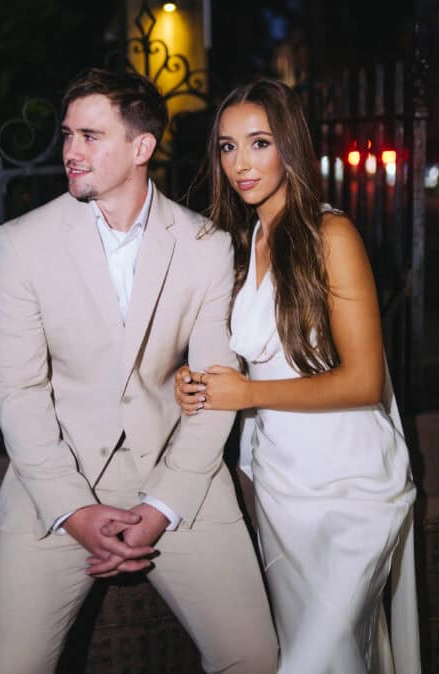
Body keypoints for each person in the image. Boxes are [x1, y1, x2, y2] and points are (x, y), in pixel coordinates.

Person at [0, 68, 278, 674]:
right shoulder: (21, 243)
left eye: (91, 136)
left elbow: (217, 387)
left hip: (177, 477)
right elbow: (16, 389)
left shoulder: (205, 244)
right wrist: (74, 510)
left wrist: (164, 505)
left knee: (254, 659)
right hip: (54, 485)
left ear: (141, 147)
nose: (70, 151)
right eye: (68, 135)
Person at [175, 78, 422, 674]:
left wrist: (248, 394)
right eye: (228, 148)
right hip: (281, 488)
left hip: (350, 490)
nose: (241, 163)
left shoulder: (330, 235)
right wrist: (195, 384)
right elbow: (249, 359)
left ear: (290, 145)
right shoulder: (246, 240)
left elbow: (364, 381)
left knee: (317, 660)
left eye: (259, 142)